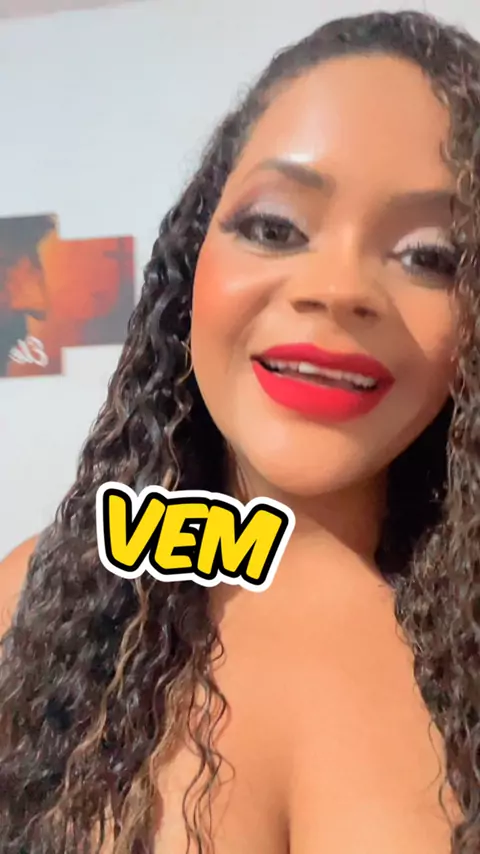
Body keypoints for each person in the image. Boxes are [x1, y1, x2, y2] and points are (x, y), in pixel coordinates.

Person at [1, 9, 479, 853]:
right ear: (194, 258)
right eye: (274, 228)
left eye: (430, 255)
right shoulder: (30, 601)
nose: (338, 289)